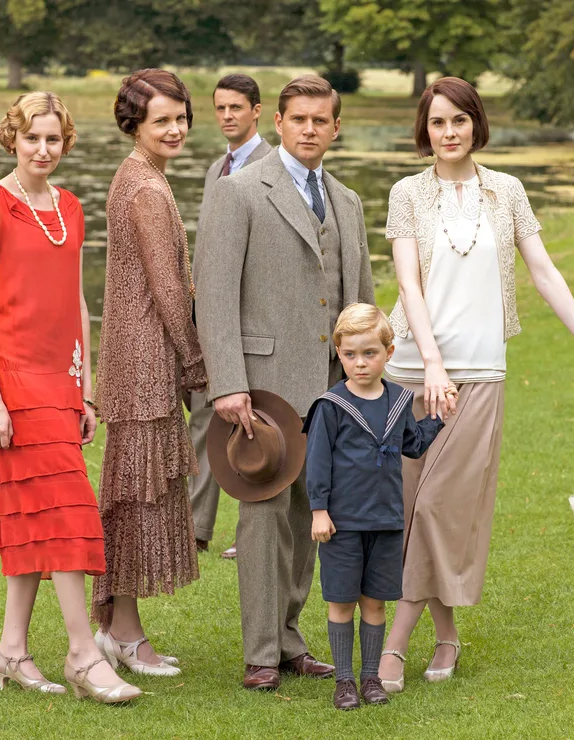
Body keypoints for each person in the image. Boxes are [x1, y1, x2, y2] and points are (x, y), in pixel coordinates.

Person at [377, 77, 574, 692]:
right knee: (412, 511)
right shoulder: (407, 193)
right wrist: (431, 363)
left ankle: (393, 648)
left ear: (476, 124)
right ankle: (449, 636)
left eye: (459, 120)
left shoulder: (506, 191)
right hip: (410, 368)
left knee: (440, 506)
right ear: (424, 130)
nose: (449, 132)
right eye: (438, 123)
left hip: (479, 372)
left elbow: (542, 270)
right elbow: (408, 284)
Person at [196, 74, 375, 691]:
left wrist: (366, 381)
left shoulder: (347, 202)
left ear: (335, 127)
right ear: (278, 121)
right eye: (298, 119)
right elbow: (214, 297)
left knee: (311, 515)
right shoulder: (239, 191)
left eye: (320, 121)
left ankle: (293, 638)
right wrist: (226, 382)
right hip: (263, 383)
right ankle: (261, 654)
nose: (308, 129)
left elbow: (361, 305)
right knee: (264, 513)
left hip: (331, 389)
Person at [0, 91, 140, 703]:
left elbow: (77, 301)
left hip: (61, 383)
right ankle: (83, 655)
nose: (43, 149)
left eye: (54, 139)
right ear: (12, 137)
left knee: (35, 522)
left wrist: (86, 389)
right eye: (32, 137)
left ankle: (12, 651)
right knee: (66, 512)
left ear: (65, 143)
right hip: (11, 386)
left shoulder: (70, 208)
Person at [91, 69, 207, 679]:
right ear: (134, 123)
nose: (175, 129)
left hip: (136, 358)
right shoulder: (144, 188)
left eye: (181, 117)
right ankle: (126, 635)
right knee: (137, 502)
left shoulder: (141, 177)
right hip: (145, 363)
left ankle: (114, 626)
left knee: (133, 497)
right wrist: (196, 363)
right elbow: (166, 289)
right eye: (161, 119)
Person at [304, 304, 443, 710]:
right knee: (342, 601)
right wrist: (318, 510)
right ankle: (344, 681)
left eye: (369, 353)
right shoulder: (330, 405)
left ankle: (371, 679)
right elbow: (318, 462)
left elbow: (413, 446)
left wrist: (437, 417)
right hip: (341, 523)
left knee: (375, 602)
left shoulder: (399, 399)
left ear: (389, 352)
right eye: (350, 355)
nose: (360, 363)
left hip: (385, 520)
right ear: (339, 354)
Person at [189, 73, 272, 560]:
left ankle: (251, 530)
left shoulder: (271, 166)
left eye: (236, 107)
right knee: (204, 415)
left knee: (251, 421)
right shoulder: (215, 168)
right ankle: (198, 528)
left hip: (253, 317)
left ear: (257, 110)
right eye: (220, 108)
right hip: (209, 314)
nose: (226, 116)